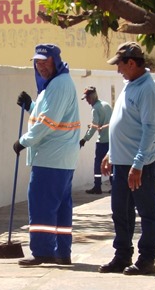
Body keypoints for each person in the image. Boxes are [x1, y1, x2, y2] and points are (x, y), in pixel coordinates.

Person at [14, 44, 81, 267]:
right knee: (61, 207)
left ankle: (42, 252)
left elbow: (48, 122)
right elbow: (51, 113)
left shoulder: (59, 85)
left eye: (45, 61)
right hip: (61, 158)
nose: (41, 66)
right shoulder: (55, 84)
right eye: (37, 62)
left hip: (51, 156)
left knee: (41, 205)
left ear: (56, 61)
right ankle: (63, 253)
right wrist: (31, 105)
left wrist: (23, 141)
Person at [99, 42, 155, 276]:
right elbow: (124, 123)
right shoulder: (131, 84)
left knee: (148, 213)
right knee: (121, 212)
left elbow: (149, 129)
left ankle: (146, 260)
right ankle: (122, 256)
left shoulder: (148, 89)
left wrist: (137, 164)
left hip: (141, 164)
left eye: (120, 65)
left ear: (132, 63)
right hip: (123, 161)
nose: (118, 70)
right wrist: (110, 154)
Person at [79, 86, 113, 194]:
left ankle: (97, 186)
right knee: (112, 163)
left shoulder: (95, 109)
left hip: (102, 141)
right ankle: (115, 186)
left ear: (92, 97)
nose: (87, 101)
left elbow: (94, 126)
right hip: (111, 140)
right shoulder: (106, 105)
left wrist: (85, 139)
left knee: (98, 164)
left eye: (88, 98)